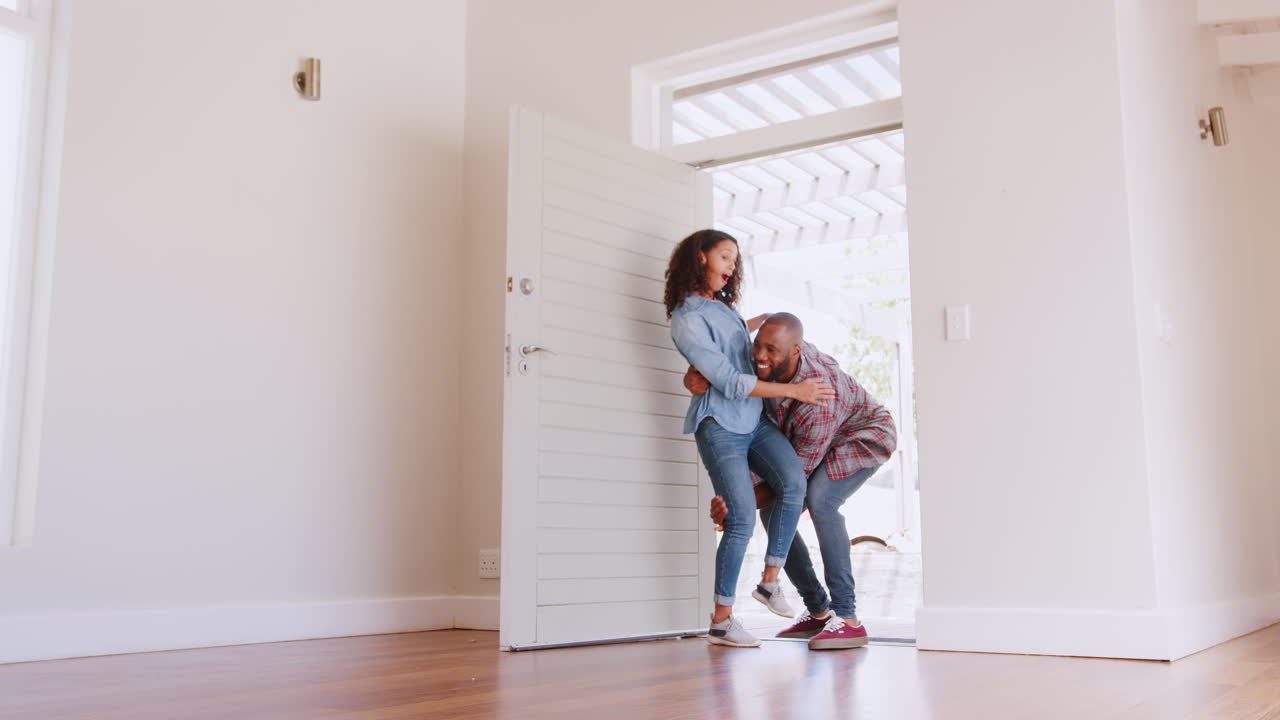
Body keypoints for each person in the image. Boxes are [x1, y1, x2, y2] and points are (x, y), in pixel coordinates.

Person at [665, 229, 834, 648]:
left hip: (754, 421)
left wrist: (767, 322)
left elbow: (739, 339)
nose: (731, 266)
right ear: (700, 257)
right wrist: (796, 391)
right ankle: (722, 621)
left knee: (793, 482)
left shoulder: (722, 307)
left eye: (734, 260)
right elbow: (727, 380)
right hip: (720, 425)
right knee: (739, 518)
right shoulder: (686, 317)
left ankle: (770, 580)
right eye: (725, 257)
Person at [689, 312, 897, 650]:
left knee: (821, 502)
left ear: (795, 351)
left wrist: (738, 503)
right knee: (772, 515)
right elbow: (720, 359)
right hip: (816, 441)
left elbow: (793, 478)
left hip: (862, 435)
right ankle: (817, 610)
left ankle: (848, 619)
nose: (760, 356)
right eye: (759, 345)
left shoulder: (819, 400)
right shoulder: (761, 360)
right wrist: (696, 376)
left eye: (772, 350)